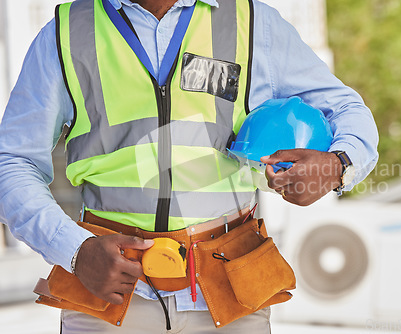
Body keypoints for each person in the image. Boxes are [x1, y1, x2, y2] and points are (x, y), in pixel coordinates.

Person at [0, 0, 378, 333]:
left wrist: (338, 164)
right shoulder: (66, 33)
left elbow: (345, 109)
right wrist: (74, 250)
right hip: (108, 292)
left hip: (229, 289)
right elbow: (11, 161)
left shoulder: (252, 22)